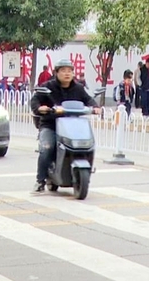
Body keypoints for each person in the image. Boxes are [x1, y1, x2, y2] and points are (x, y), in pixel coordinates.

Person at [30, 60, 100, 193]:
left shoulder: (78, 88)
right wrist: (40, 108)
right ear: (56, 72)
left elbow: (88, 99)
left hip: (72, 126)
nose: (67, 73)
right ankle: (40, 181)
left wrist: (95, 107)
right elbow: (35, 100)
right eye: (63, 70)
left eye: (70, 70)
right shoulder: (47, 87)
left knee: (87, 144)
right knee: (47, 147)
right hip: (50, 125)